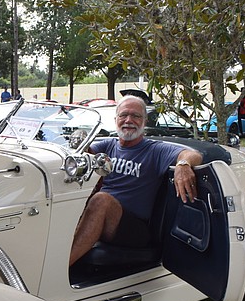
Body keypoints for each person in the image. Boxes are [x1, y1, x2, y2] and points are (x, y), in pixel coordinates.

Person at [69, 95, 202, 266]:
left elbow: (193, 154)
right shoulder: (107, 146)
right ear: (115, 119)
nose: (129, 120)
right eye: (123, 115)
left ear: (145, 122)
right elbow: (82, 155)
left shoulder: (155, 150)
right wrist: (79, 138)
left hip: (134, 228)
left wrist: (183, 164)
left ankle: (60, 270)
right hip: (100, 216)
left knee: (101, 200)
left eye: (136, 116)